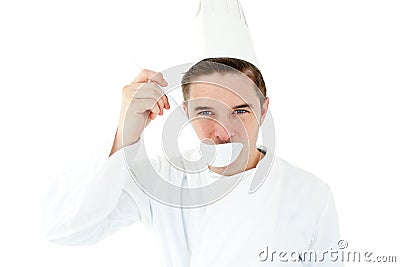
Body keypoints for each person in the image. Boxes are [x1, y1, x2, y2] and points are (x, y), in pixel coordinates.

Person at [42, 57, 343, 267]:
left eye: (240, 111)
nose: (224, 131)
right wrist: (125, 134)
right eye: (207, 113)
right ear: (185, 112)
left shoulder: (310, 193)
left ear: (264, 111)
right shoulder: (161, 179)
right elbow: (64, 228)